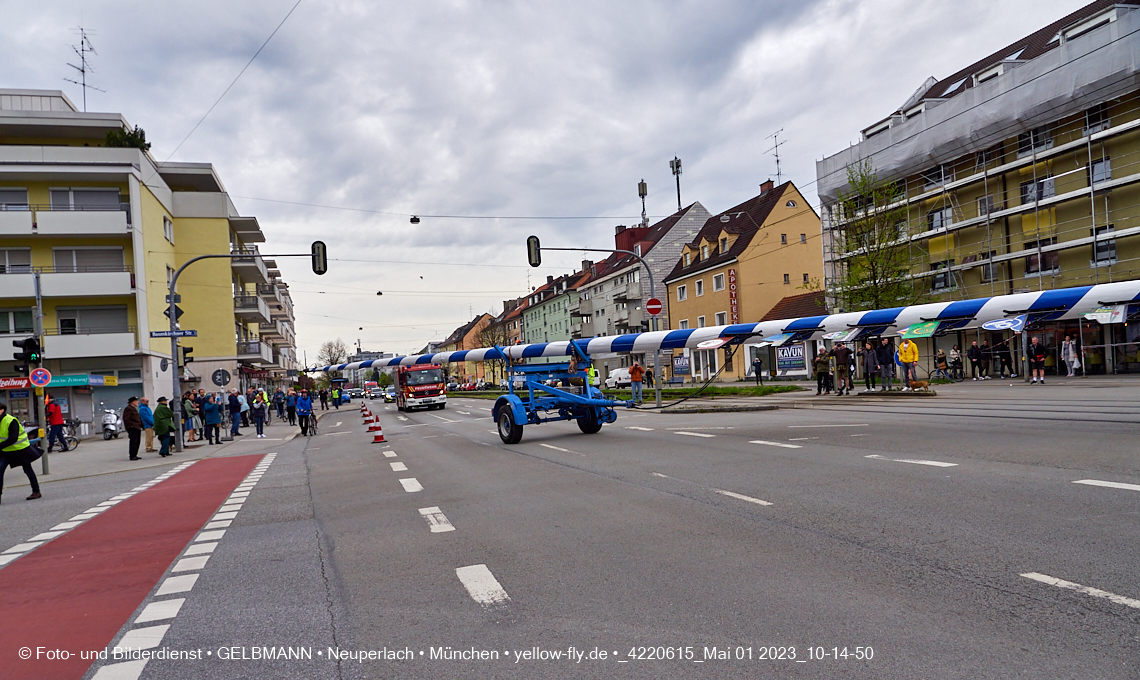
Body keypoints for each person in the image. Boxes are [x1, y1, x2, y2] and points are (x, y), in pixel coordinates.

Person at [0, 401, 41, 501]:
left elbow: (12, 438)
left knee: (27, 470)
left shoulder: (10, 420)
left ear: (1, 410)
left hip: (20, 449)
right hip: (5, 450)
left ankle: (36, 491)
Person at [124, 396, 144, 461]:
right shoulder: (128, 409)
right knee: (133, 442)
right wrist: (131, 426)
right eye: (136, 401)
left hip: (137, 427)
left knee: (137, 441)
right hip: (133, 428)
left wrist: (142, 425)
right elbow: (126, 419)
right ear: (132, 402)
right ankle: (132, 455)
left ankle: (135, 454)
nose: (138, 402)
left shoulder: (133, 408)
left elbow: (138, 418)